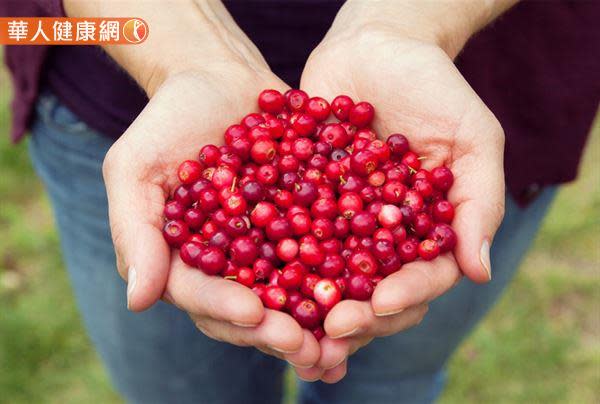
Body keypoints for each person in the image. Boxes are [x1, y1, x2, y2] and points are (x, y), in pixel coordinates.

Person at [2, 0, 599, 403]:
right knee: (177, 392)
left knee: (393, 383)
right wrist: (185, 53)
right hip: (114, 57)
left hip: (475, 79)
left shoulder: (389, 171)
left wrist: (405, 21)